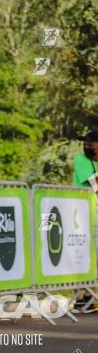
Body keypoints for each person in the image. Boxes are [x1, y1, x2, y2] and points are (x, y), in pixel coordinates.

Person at [72, 128, 98, 313]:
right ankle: (81, 296)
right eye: (85, 142)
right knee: (82, 253)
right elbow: (94, 184)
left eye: (91, 142)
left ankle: (90, 295)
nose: (87, 145)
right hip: (82, 212)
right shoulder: (81, 161)